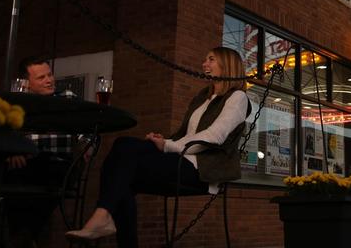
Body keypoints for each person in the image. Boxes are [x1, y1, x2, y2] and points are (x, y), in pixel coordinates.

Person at [66, 47, 251, 247]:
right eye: (205, 59)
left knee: (124, 163)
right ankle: (104, 217)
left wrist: (168, 146)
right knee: (124, 150)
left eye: (211, 59)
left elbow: (214, 136)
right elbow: (185, 135)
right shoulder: (203, 97)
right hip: (182, 158)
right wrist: (163, 141)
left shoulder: (237, 98)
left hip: (203, 169)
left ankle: (102, 215)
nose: (204, 64)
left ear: (227, 64)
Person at [4, 55, 82, 247]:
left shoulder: (66, 99)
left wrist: (88, 145)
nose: (49, 80)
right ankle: (20, 236)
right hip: (25, 164)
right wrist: (12, 149)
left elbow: (88, 129)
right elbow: (3, 132)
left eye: (50, 75)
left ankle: (23, 236)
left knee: (39, 178)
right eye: (41, 78)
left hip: (58, 163)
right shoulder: (17, 104)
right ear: (26, 83)